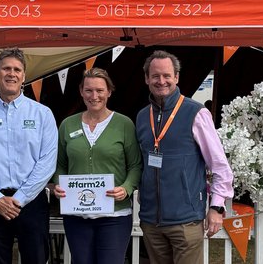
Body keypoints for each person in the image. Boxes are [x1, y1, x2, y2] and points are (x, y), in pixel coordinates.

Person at [135, 50, 233, 264]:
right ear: (146, 78)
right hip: (151, 221)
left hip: (186, 221)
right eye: (155, 76)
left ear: (177, 77)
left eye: (167, 75)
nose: (161, 81)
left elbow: (220, 167)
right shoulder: (142, 117)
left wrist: (216, 207)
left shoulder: (196, 113)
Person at [0, 48, 58, 264]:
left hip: (32, 203)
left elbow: (47, 162)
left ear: (24, 76)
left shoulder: (42, 113)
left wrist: (18, 199)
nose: (11, 73)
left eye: (17, 69)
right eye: (6, 68)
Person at [53, 68, 142, 264]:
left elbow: (135, 165)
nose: (94, 96)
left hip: (115, 215)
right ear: (81, 92)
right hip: (77, 215)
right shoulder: (68, 125)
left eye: (100, 90)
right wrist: (58, 185)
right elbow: (60, 165)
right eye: (89, 90)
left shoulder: (124, 124)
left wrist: (126, 188)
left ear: (109, 92)